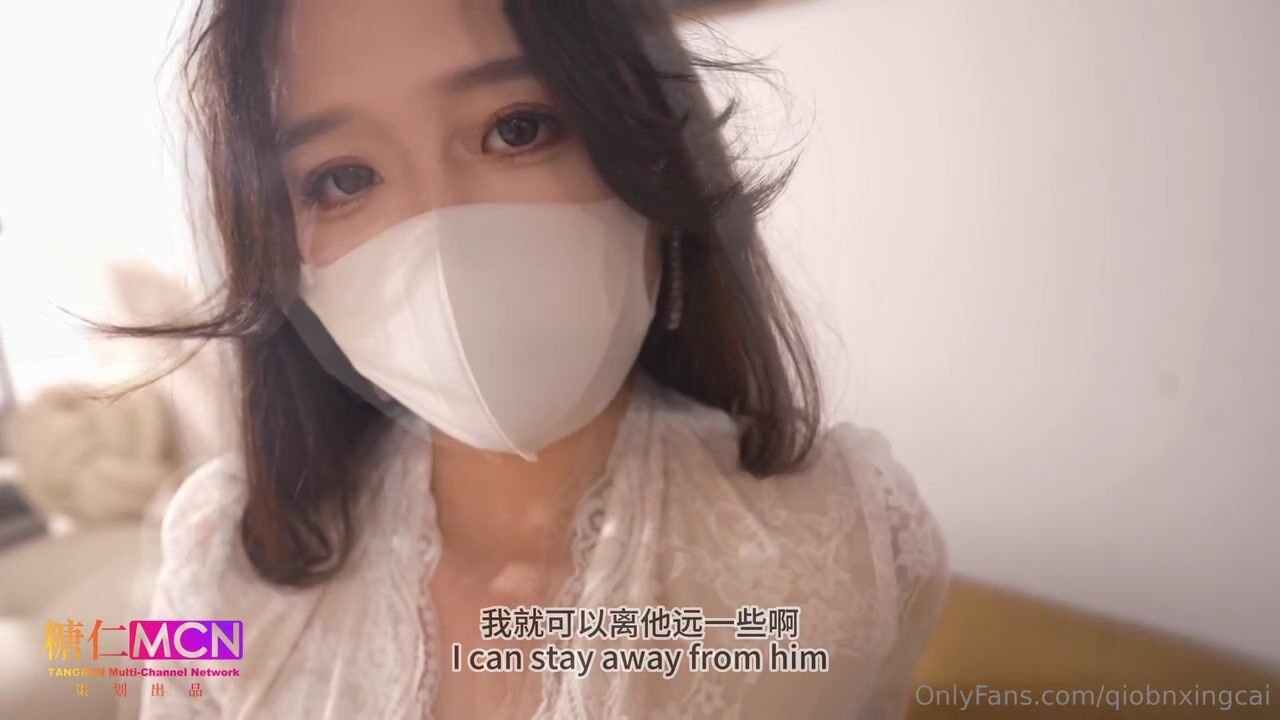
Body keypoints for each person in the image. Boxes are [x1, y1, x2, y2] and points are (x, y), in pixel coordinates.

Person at [132, 0, 950, 717]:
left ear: (650, 147)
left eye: (516, 129)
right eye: (343, 179)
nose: (443, 242)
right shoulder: (214, 558)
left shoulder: (849, 542)